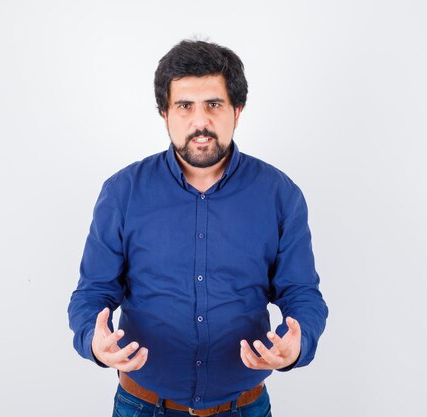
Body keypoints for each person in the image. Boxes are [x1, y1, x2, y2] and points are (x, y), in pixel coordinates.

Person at [68, 39, 328, 417]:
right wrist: (94, 341)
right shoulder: (123, 192)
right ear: (165, 113)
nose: (200, 121)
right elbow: (92, 292)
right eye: (185, 106)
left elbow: (302, 293)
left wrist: (298, 343)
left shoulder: (279, 195)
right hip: (143, 406)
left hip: (244, 407)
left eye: (214, 105)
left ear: (237, 111)